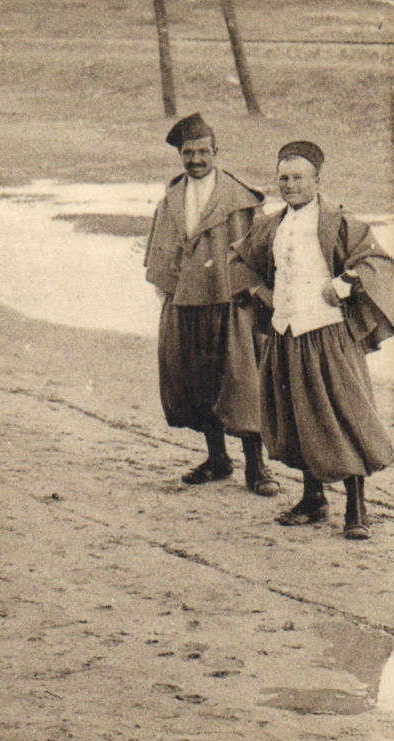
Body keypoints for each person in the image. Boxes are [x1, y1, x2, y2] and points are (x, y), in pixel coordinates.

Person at [232, 141, 394, 539]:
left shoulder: (338, 221)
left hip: (327, 334)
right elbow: (239, 262)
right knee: (294, 415)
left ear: (317, 180)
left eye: (298, 178)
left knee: (343, 413)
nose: (290, 185)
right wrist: (259, 293)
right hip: (285, 332)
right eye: (283, 178)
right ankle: (313, 499)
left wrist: (342, 285)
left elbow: (376, 261)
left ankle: (356, 509)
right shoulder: (270, 224)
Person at [144, 113, 273, 493]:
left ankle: (257, 467)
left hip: (229, 304)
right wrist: (169, 290)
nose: (196, 159)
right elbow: (160, 252)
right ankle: (217, 458)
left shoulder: (240, 198)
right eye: (188, 153)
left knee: (242, 383)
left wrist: (253, 295)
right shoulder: (170, 199)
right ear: (180, 156)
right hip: (185, 304)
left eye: (203, 151)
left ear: (217, 152)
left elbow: (262, 252)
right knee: (195, 383)